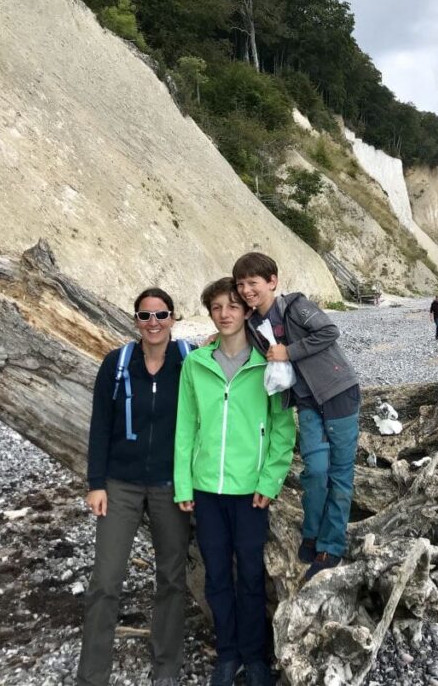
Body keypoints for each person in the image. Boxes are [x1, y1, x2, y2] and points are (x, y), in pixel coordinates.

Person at [174, 278, 296, 686]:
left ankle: (255, 656)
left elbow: (282, 427)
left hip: (251, 493)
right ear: (210, 313)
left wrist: (270, 479)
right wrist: (184, 484)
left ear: (245, 311)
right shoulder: (195, 363)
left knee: (250, 575)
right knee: (216, 576)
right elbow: (185, 427)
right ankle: (227, 655)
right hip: (207, 489)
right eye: (216, 308)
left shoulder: (268, 363)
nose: (224, 314)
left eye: (232, 306)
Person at [78, 288, 191, 686]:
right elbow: (101, 426)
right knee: (106, 580)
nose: (153, 323)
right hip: (120, 485)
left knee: (172, 579)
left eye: (161, 315)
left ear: (174, 318)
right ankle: (92, 675)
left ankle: (166, 667)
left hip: (172, 486)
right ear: (136, 321)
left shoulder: (190, 361)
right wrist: (96, 484)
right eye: (145, 316)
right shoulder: (118, 362)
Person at [232, 252, 361, 581]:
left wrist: (290, 351)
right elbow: (237, 341)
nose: (247, 289)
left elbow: (329, 331)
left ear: (272, 282)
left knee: (340, 474)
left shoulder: (296, 306)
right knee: (316, 470)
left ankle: (330, 544)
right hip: (306, 401)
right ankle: (311, 530)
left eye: (253, 283)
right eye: (241, 284)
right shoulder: (253, 325)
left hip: (338, 393)